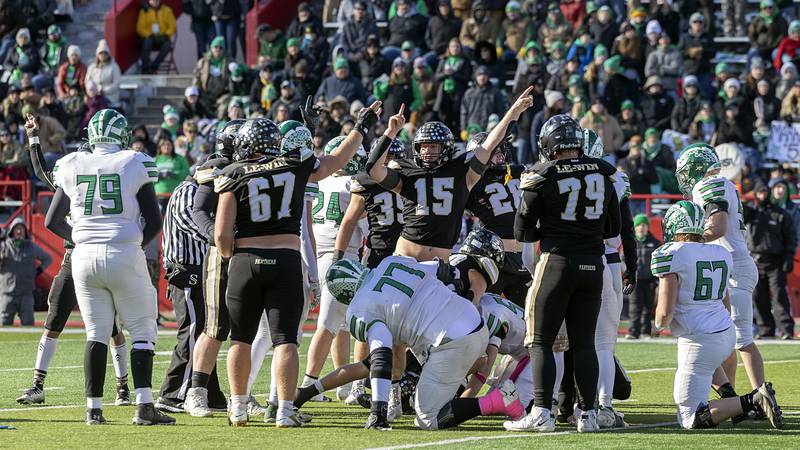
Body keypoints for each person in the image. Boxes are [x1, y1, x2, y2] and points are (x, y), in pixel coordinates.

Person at [214, 103, 381, 426]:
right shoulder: (295, 164)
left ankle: (238, 407)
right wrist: (362, 125)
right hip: (285, 260)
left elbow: (221, 234)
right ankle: (285, 410)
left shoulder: (232, 174)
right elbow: (338, 159)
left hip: (246, 261)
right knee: (285, 341)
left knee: (241, 339)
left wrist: (231, 257)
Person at [44, 109, 171, 425]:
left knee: (96, 332)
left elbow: (52, 220)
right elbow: (154, 221)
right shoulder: (133, 161)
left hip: (83, 257)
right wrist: (132, 243)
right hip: (123, 250)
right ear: (121, 135)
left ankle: (93, 410)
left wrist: (84, 237)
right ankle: (144, 406)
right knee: (142, 328)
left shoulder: (72, 163)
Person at [320, 244, 521, 430]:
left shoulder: (364, 305)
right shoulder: (392, 263)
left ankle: (498, 400)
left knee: (427, 419)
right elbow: (443, 270)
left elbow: (379, 359)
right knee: (426, 386)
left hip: (453, 341)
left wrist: (378, 410)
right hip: (471, 327)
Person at [506, 113, 620, 433]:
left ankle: (542, 412)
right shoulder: (603, 171)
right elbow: (613, 227)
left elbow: (522, 232)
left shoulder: (541, 174)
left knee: (541, 340)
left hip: (556, 262)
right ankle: (588, 415)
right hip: (594, 265)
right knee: (584, 344)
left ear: (548, 144)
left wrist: (553, 229)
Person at [16, 120, 131, 406]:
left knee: (111, 325)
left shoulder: (91, 179)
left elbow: (43, 175)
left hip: (87, 252)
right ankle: (38, 384)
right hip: (80, 254)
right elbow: (42, 171)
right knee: (57, 319)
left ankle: (122, 386)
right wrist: (33, 138)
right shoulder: (73, 181)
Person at [651, 200, 784, 430]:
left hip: (700, 339)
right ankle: (731, 398)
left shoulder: (672, 253)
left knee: (690, 417)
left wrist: (657, 325)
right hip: (725, 332)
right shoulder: (720, 252)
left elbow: (664, 313)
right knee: (707, 363)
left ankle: (753, 400)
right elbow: (726, 302)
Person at [675, 144, 777, 413]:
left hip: (732, 267)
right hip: (728, 265)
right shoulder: (725, 184)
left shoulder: (709, 185)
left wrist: (690, 241)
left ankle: (761, 395)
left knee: (741, 338)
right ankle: (733, 399)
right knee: (724, 336)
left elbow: (717, 226)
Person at [175, 120, 244, 416]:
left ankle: (242, 395)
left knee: (247, 329)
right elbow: (199, 210)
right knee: (215, 327)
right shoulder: (216, 168)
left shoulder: (253, 166)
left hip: (248, 253)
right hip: (222, 254)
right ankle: (196, 392)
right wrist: (217, 238)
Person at [300, 134, 368, 403]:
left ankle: (342, 383)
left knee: (340, 323)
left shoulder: (320, 180)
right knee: (328, 323)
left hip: (313, 254)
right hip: (340, 257)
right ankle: (309, 383)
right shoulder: (352, 184)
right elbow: (364, 225)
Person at [581, 129, 637, 428]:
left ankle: (556, 405)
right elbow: (626, 229)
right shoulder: (614, 178)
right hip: (609, 263)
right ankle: (603, 406)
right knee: (604, 342)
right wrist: (633, 266)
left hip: (567, 259)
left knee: (562, 341)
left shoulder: (557, 176)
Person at [464, 133, 529, 307]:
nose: (499, 154)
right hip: (493, 259)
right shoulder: (473, 182)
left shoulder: (520, 171)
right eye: (493, 150)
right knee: (479, 308)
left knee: (532, 315)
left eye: (500, 149)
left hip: (527, 256)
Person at [744, 183, 796, 340]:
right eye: (759, 192)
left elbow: (791, 237)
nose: (763, 195)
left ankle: (786, 330)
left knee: (779, 296)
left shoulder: (780, 214)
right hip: (755, 261)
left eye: (765, 192)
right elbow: (739, 212)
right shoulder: (751, 212)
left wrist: (788, 256)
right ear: (755, 194)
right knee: (758, 297)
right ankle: (765, 329)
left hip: (776, 262)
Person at [0, 217, 51, 326]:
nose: (19, 231)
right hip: (6, 294)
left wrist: (39, 270)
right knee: (3, 325)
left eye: (21, 229)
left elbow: (48, 258)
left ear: (25, 232)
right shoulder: (4, 246)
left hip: (26, 294)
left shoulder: (31, 247)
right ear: (12, 231)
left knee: (28, 324)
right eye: (16, 229)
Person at [626, 214, 660, 339]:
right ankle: (633, 332)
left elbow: (659, 262)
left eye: (644, 225)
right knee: (634, 306)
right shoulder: (630, 242)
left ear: (647, 227)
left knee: (648, 307)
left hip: (650, 280)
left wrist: (656, 279)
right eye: (639, 225)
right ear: (635, 227)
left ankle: (646, 332)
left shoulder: (655, 243)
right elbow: (623, 259)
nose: (641, 227)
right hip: (635, 280)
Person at [433, 38, 472, 133]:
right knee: (444, 118)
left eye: (457, 46)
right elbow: (436, 77)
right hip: (444, 94)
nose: (455, 48)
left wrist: (454, 73)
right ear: (449, 48)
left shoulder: (465, 61)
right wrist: (445, 73)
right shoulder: (443, 60)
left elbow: (467, 78)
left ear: (460, 48)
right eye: (452, 46)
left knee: (456, 117)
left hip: (458, 94)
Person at [460, 65, 507, 136]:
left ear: (488, 77)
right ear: (475, 77)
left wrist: (496, 126)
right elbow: (464, 112)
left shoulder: (495, 92)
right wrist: (463, 128)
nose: (482, 77)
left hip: (489, 132)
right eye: (479, 75)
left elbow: (501, 111)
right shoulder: (469, 93)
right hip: (472, 130)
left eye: (485, 75)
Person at [194, 36, 231, 119]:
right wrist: (196, 90)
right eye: (216, 47)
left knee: (224, 103)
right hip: (205, 93)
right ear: (211, 48)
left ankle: (219, 121)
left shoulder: (228, 61)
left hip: (222, 94)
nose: (218, 49)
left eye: (221, 48)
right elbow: (196, 77)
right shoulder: (203, 61)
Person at [136, 0, 176, 74]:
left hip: (162, 37)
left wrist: (166, 35)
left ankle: (154, 66)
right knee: (147, 42)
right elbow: (140, 28)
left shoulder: (167, 10)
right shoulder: (144, 11)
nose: (155, 1)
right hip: (150, 37)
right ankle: (145, 68)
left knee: (167, 44)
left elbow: (172, 26)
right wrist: (149, 35)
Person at [85, 40, 122, 105]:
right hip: (93, 96)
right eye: (101, 53)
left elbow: (116, 83)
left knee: (102, 104)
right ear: (97, 55)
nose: (103, 55)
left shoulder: (114, 67)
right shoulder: (92, 67)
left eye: (105, 53)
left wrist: (104, 90)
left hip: (109, 97)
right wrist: (92, 90)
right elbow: (87, 81)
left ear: (108, 54)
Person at [341, 1, 379, 65]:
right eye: (358, 9)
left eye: (362, 9)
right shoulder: (347, 25)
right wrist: (349, 54)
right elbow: (344, 42)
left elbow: (372, 43)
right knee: (341, 64)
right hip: (349, 55)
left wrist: (361, 53)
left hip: (365, 56)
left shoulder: (371, 25)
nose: (360, 11)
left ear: (366, 11)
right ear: (353, 10)